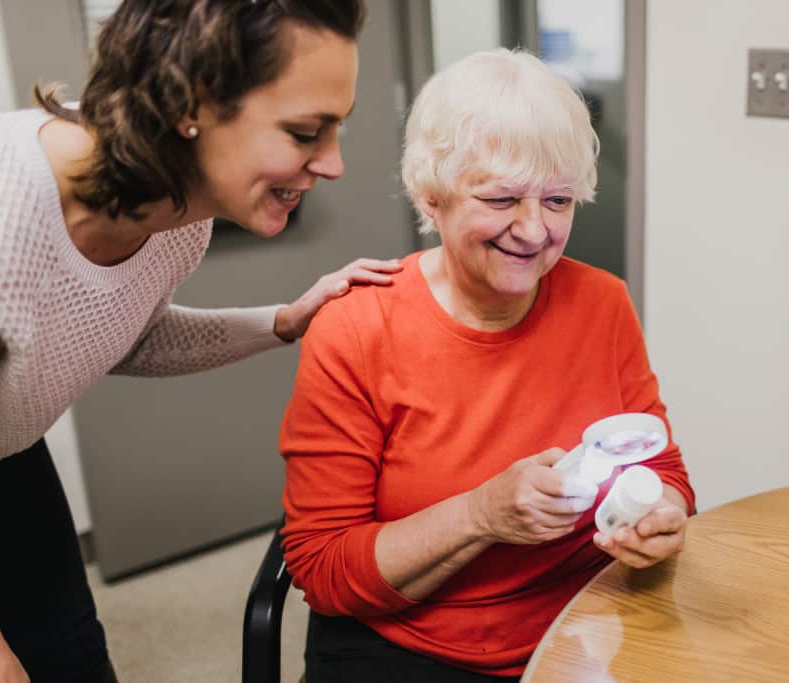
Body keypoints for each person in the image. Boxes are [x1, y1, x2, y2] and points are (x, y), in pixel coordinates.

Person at [0, 2, 401, 681]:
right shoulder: (5, 221)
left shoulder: (181, 218)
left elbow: (125, 335)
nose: (332, 164)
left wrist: (284, 320)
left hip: (7, 449)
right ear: (191, 104)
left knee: (70, 656)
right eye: (307, 132)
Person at [280, 48, 695, 682]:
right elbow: (327, 571)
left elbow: (662, 469)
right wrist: (480, 516)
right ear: (432, 195)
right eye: (502, 199)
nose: (533, 232)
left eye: (557, 201)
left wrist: (657, 515)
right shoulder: (359, 329)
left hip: (586, 626)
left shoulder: (602, 303)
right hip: (416, 645)